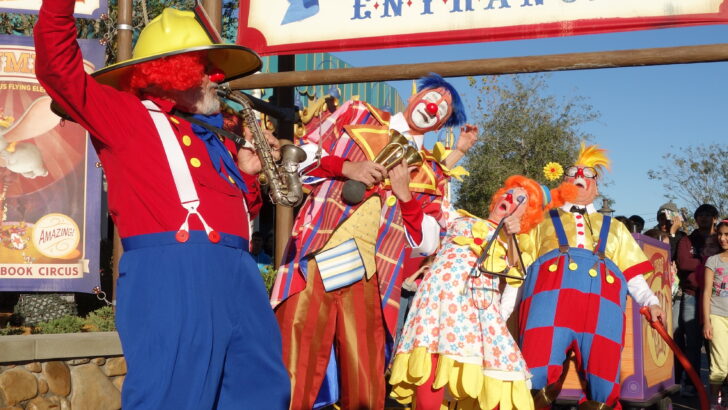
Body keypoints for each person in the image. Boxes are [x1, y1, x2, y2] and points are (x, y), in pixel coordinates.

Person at [33, 3, 290, 408]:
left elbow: (232, 217)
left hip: (237, 273)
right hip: (173, 276)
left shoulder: (220, 137)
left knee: (260, 390)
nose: (215, 78)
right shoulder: (126, 117)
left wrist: (249, 176)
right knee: (171, 395)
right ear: (177, 72)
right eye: (204, 68)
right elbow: (57, 69)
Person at [270, 73, 476, 409]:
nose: (434, 106)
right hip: (318, 258)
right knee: (295, 361)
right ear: (414, 96)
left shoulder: (431, 174)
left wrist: (406, 197)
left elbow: (427, 243)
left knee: (364, 379)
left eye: (444, 108)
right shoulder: (357, 113)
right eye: (432, 96)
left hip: (373, 278)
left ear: (442, 123)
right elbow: (298, 157)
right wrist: (346, 166)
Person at [389, 175, 575, 410]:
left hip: (473, 314)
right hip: (432, 306)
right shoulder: (459, 219)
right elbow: (433, 199)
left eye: (521, 199)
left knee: (490, 379)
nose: (510, 197)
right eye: (509, 191)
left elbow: (516, 272)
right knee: (428, 365)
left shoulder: (516, 241)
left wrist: (511, 234)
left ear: (526, 215)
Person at [519, 144, 665, 410]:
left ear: (596, 187)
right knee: (531, 375)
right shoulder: (540, 221)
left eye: (589, 175)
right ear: (563, 182)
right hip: (549, 307)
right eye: (573, 173)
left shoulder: (616, 229)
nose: (580, 177)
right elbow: (521, 268)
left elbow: (632, 276)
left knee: (604, 382)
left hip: (602, 312)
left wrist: (651, 301)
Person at [674, 203, 720, 397]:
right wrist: (710, 262)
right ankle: (693, 384)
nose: (704, 218)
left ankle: (718, 385)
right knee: (693, 342)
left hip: (717, 297)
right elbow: (683, 262)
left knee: (717, 344)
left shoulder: (720, 238)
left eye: (708, 214)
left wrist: (701, 263)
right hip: (692, 296)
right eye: (700, 214)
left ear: (715, 218)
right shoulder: (687, 240)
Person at [703, 219, 728, 409]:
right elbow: (706, 292)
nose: (722, 238)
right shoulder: (713, 260)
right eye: (720, 234)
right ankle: (716, 402)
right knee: (720, 363)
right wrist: (707, 322)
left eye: (726, 234)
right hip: (717, 316)